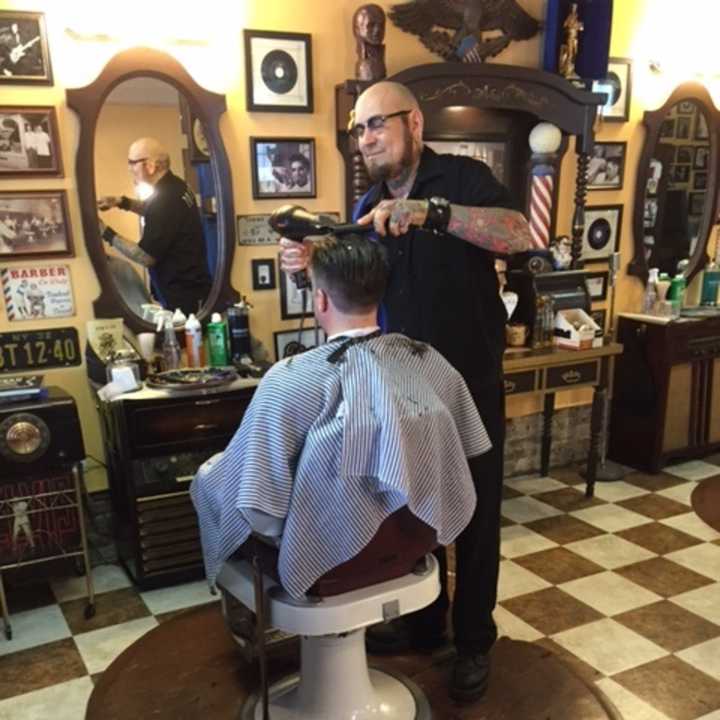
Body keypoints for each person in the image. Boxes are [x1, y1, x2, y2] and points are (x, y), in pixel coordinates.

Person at [280, 80, 532, 701]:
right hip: (402, 392)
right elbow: (354, 284)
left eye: (376, 125)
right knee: (414, 504)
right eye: (358, 130)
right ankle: (426, 621)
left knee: (473, 520)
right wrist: (309, 258)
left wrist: (432, 214)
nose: (365, 139)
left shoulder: (464, 179)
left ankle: (473, 639)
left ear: (413, 123)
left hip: (468, 383)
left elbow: (519, 233)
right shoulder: (367, 202)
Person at [191, 234, 491, 600]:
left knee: (209, 481)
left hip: (324, 560)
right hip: (414, 541)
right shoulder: (428, 362)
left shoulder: (289, 380)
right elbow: (465, 457)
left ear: (319, 299)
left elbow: (258, 510)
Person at [97, 137, 211, 316]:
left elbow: (145, 256)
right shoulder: (175, 185)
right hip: (193, 285)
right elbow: (153, 212)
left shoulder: (165, 200)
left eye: (132, 163)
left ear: (150, 165)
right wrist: (121, 202)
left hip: (183, 295)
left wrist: (106, 233)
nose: (129, 169)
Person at [353, 3, 386, 81]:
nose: (377, 30)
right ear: (357, 29)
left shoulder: (380, 61)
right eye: (371, 25)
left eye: (381, 25)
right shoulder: (364, 65)